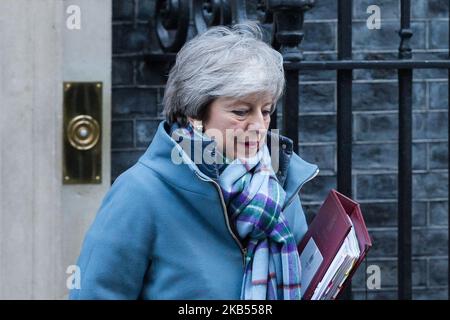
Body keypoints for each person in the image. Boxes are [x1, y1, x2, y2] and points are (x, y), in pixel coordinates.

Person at [69, 21, 319, 300]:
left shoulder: (279, 184)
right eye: (241, 112)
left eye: (266, 110)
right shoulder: (139, 192)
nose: (259, 125)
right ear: (195, 115)